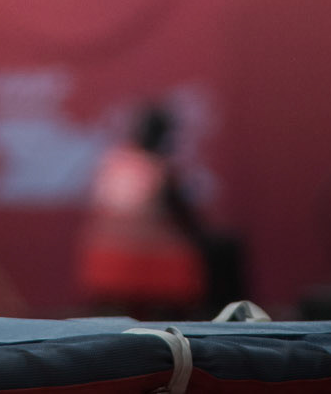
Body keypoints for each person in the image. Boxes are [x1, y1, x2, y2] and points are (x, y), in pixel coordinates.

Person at [78, 103, 232, 318]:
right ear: (165, 137)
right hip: (154, 264)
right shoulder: (160, 169)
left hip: (101, 261)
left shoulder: (111, 162)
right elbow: (187, 220)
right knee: (220, 252)